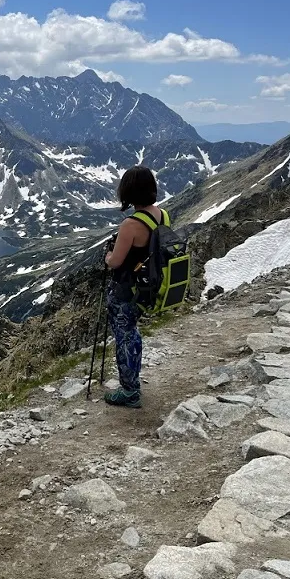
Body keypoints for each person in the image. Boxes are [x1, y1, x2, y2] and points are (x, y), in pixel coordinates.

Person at [102, 165, 163, 408]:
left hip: (125, 289)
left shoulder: (130, 224)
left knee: (123, 336)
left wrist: (107, 257)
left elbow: (115, 261)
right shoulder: (160, 214)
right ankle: (133, 380)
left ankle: (129, 391)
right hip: (145, 288)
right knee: (132, 333)